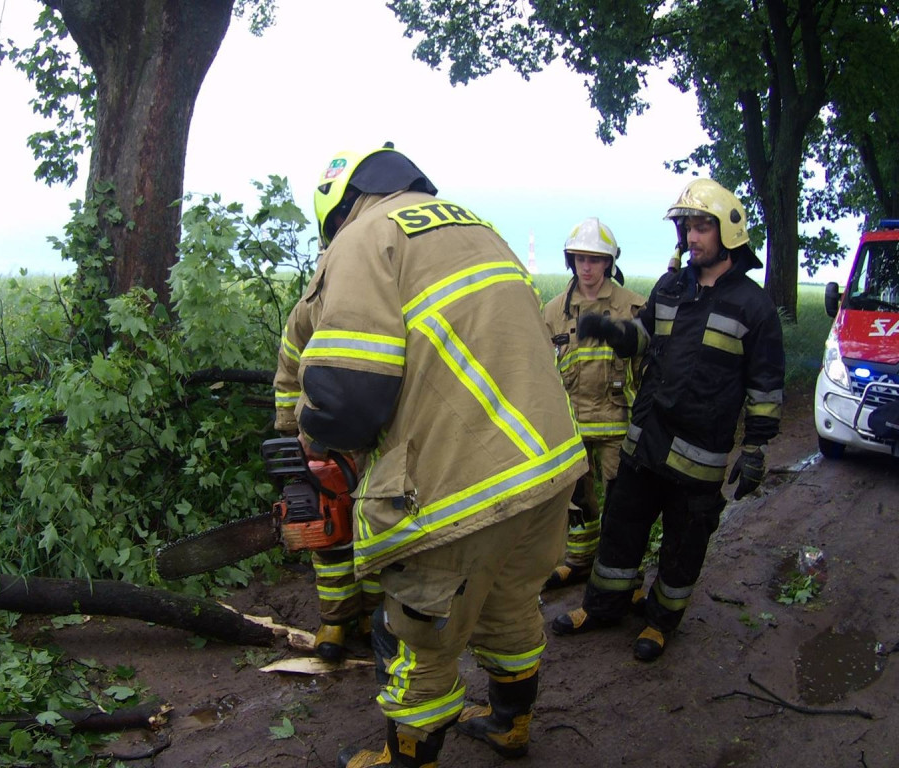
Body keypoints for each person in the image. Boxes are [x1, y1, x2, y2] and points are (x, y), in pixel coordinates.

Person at [285, 143, 588, 767]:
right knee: (509, 608)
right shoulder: (474, 225)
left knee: (412, 638)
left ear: (336, 211)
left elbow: (348, 395)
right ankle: (511, 724)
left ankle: (406, 761)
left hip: (461, 489)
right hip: (551, 465)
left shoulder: (363, 237)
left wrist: (316, 450)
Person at [551, 178, 784, 662]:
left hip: (699, 457)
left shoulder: (753, 306)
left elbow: (764, 387)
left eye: (702, 227)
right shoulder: (672, 286)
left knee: (683, 544)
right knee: (620, 528)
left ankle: (660, 622)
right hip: (646, 441)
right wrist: (612, 333)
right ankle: (603, 607)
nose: (692, 237)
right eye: (687, 228)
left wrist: (756, 448)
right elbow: (643, 339)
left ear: (728, 233)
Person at [542, 218, 646, 589]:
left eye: (595, 260)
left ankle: (620, 570)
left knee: (623, 500)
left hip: (619, 422)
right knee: (577, 500)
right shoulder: (554, 311)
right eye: (580, 259)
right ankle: (580, 560)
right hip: (572, 426)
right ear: (571, 261)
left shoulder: (632, 308)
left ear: (609, 264)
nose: (587, 267)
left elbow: (646, 368)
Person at [274, 309, 384, 661]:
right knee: (330, 537)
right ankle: (334, 620)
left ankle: (373, 614)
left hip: (378, 439)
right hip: (322, 440)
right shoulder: (309, 308)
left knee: (379, 529)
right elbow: (290, 368)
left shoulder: (384, 297)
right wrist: (291, 429)